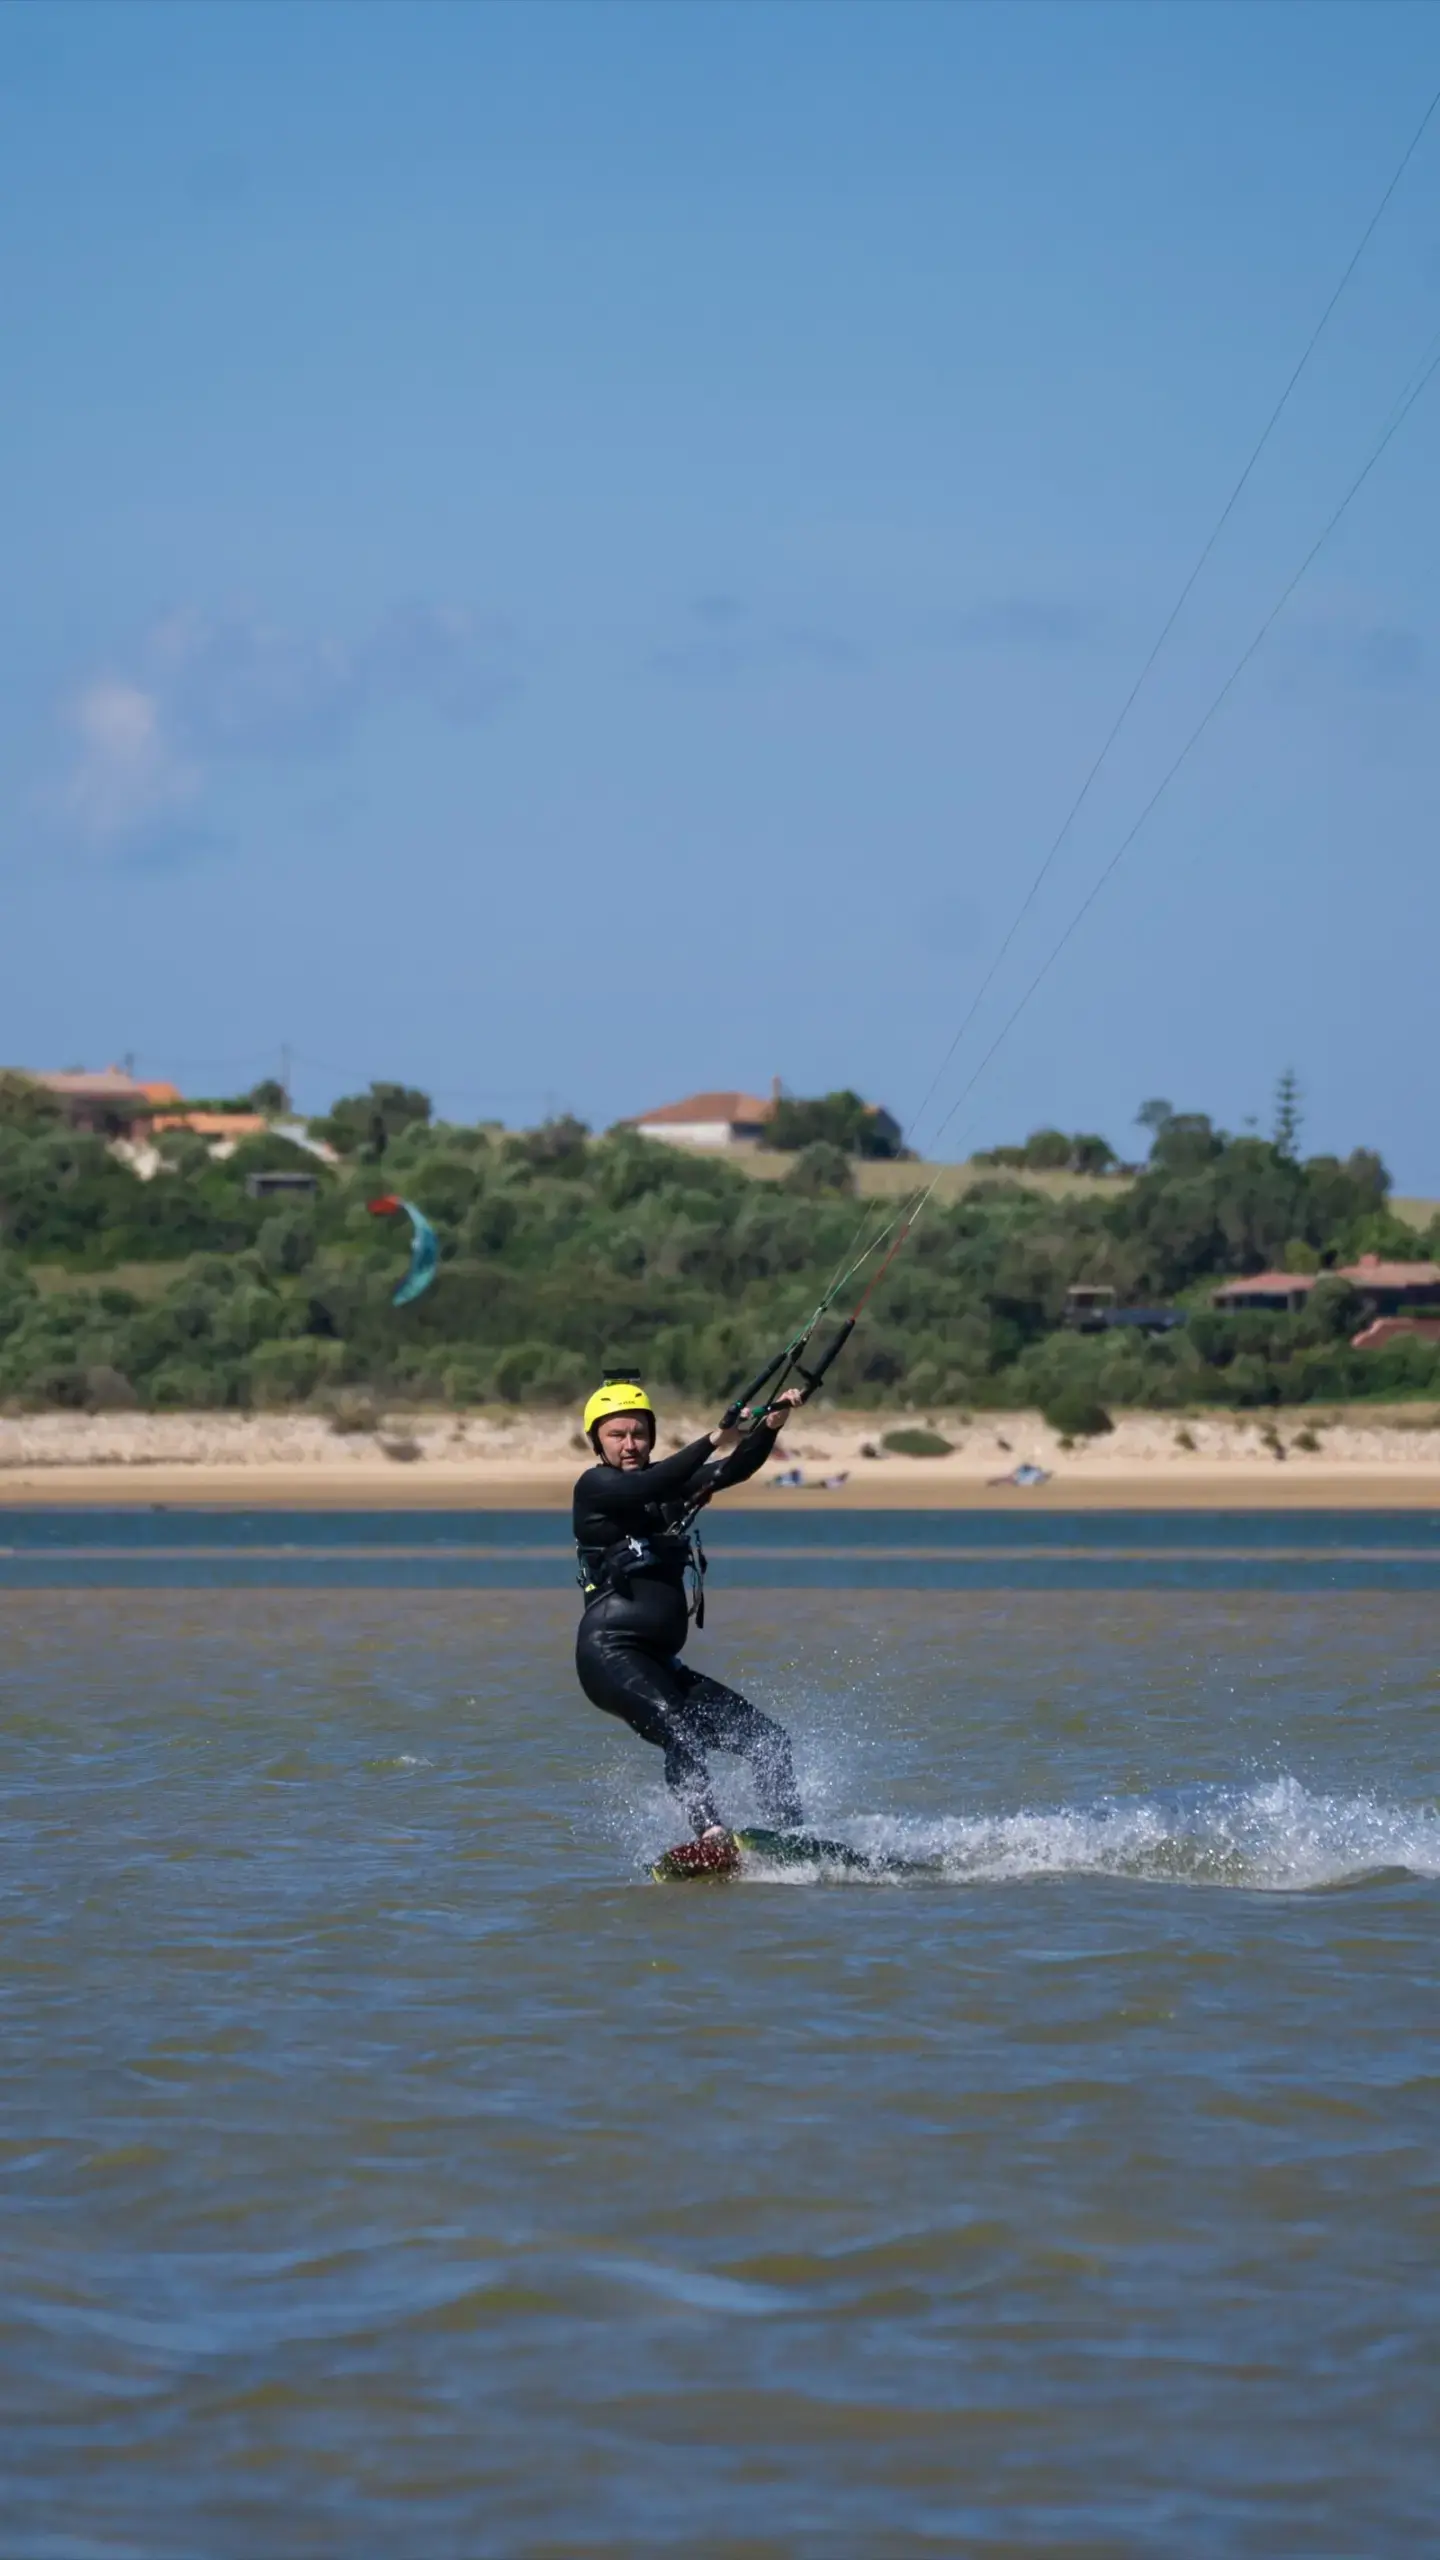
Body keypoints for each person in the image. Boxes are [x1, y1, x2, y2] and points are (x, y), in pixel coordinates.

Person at [573, 1372, 806, 1840]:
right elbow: (650, 1484)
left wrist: (771, 1425)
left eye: (639, 1432)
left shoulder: (666, 1490)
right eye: (616, 1434)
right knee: (683, 1733)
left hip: (663, 1663)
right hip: (610, 1655)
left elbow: (731, 1470)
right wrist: (718, 1434)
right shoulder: (595, 1488)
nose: (630, 1444)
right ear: (597, 1441)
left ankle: (794, 1837)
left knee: (770, 1742)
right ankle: (710, 1834)